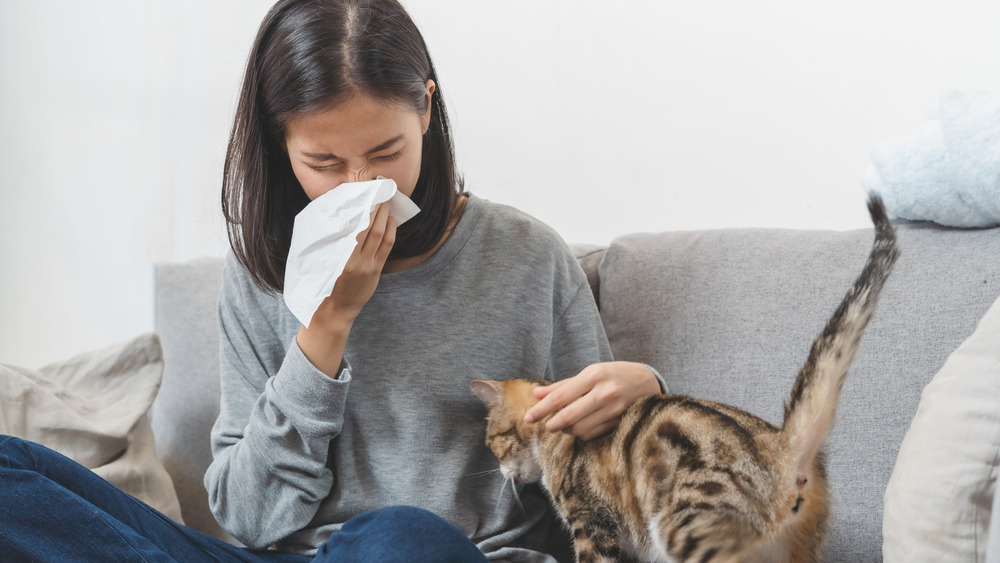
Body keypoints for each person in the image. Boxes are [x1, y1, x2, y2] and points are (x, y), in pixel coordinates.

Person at [0, 0, 663, 561]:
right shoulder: (260, 277)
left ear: (426, 111)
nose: (361, 186)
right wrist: (324, 330)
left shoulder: (526, 257)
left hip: (435, 552)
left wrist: (646, 397)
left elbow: (608, 501)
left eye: (386, 153)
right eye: (323, 161)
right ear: (281, 145)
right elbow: (249, 519)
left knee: (398, 534)